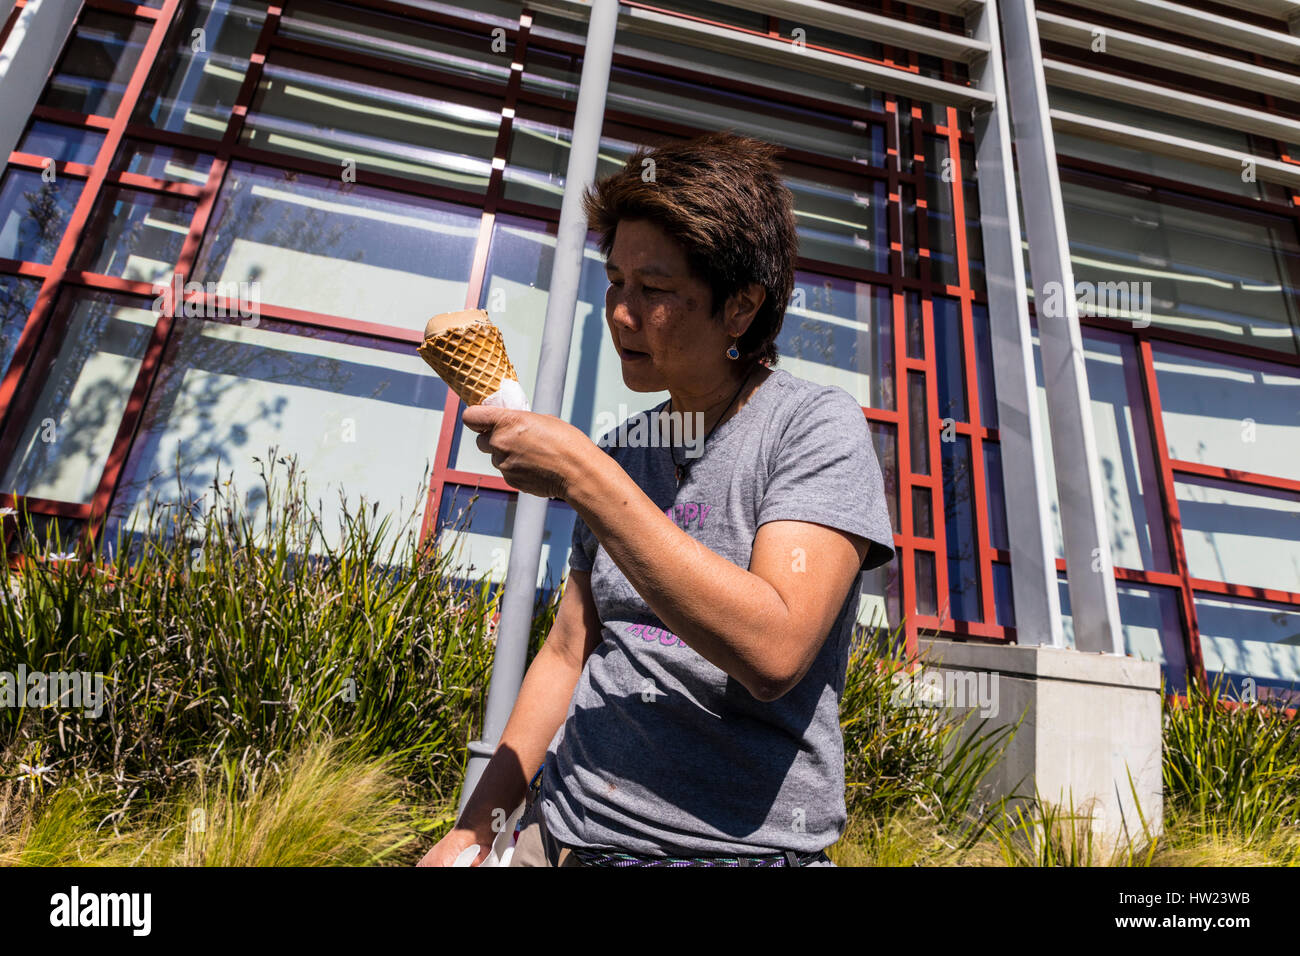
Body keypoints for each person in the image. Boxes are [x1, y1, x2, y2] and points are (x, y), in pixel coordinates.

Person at [418, 130, 895, 868]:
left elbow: (773, 651)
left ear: (740, 308)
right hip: (564, 833)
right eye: (614, 281)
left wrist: (583, 475)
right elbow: (569, 650)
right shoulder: (623, 449)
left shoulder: (813, 427)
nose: (620, 312)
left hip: (731, 854)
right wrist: (478, 826)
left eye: (655, 289)